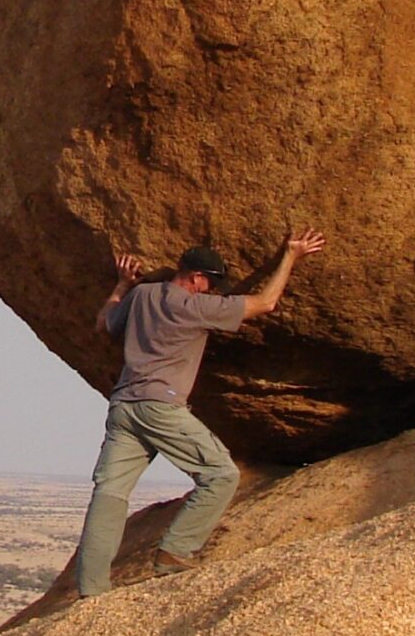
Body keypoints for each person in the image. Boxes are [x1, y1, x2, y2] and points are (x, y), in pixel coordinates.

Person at [74, 229, 327, 598]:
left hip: (124, 407)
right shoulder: (194, 308)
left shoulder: (142, 294)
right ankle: (175, 552)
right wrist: (290, 256)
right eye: (209, 284)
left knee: (109, 493)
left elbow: (104, 323)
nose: (211, 291)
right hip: (161, 406)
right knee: (221, 474)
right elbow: (266, 303)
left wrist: (121, 285)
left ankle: (92, 590)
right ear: (195, 278)